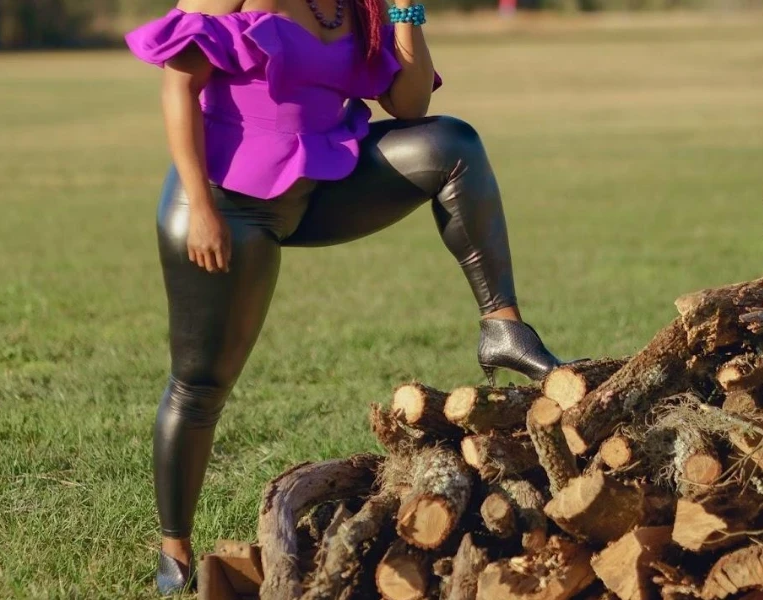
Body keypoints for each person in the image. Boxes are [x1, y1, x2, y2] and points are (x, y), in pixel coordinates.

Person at [125, 0, 566, 593]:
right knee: (201, 384)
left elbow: (410, 106)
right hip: (224, 206)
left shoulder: (356, 8)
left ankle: (502, 325)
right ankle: (174, 551)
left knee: (452, 144)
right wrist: (201, 207)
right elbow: (178, 84)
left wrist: (406, 10)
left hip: (318, 185)